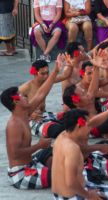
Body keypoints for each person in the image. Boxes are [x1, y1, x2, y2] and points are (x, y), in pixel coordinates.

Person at [1, 61, 64, 189]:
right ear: (16, 102)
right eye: (21, 96)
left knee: (54, 151)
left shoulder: (25, 113)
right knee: (64, 176)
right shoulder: (14, 125)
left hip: (31, 163)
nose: (25, 97)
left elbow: (41, 93)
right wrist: (38, 145)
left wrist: (56, 70)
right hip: (21, 174)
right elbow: (16, 153)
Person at [52, 109, 108, 200]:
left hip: (60, 195)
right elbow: (70, 182)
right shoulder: (72, 148)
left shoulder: (63, 135)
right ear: (78, 126)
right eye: (88, 126)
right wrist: (88, 195)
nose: (90, 128)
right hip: (73, 196)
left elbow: (94, 122)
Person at [19, 56, 73, 138]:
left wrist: (70, 63)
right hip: (31, 120)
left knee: (72, 116)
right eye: (42, 73)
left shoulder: (48, 81)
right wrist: (29, 114)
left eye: (47, 73)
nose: (46, 76)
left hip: (44, 114)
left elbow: (66, 75)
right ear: (34, 73)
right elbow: (12, 104)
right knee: (57, 130)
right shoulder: (26, 87)